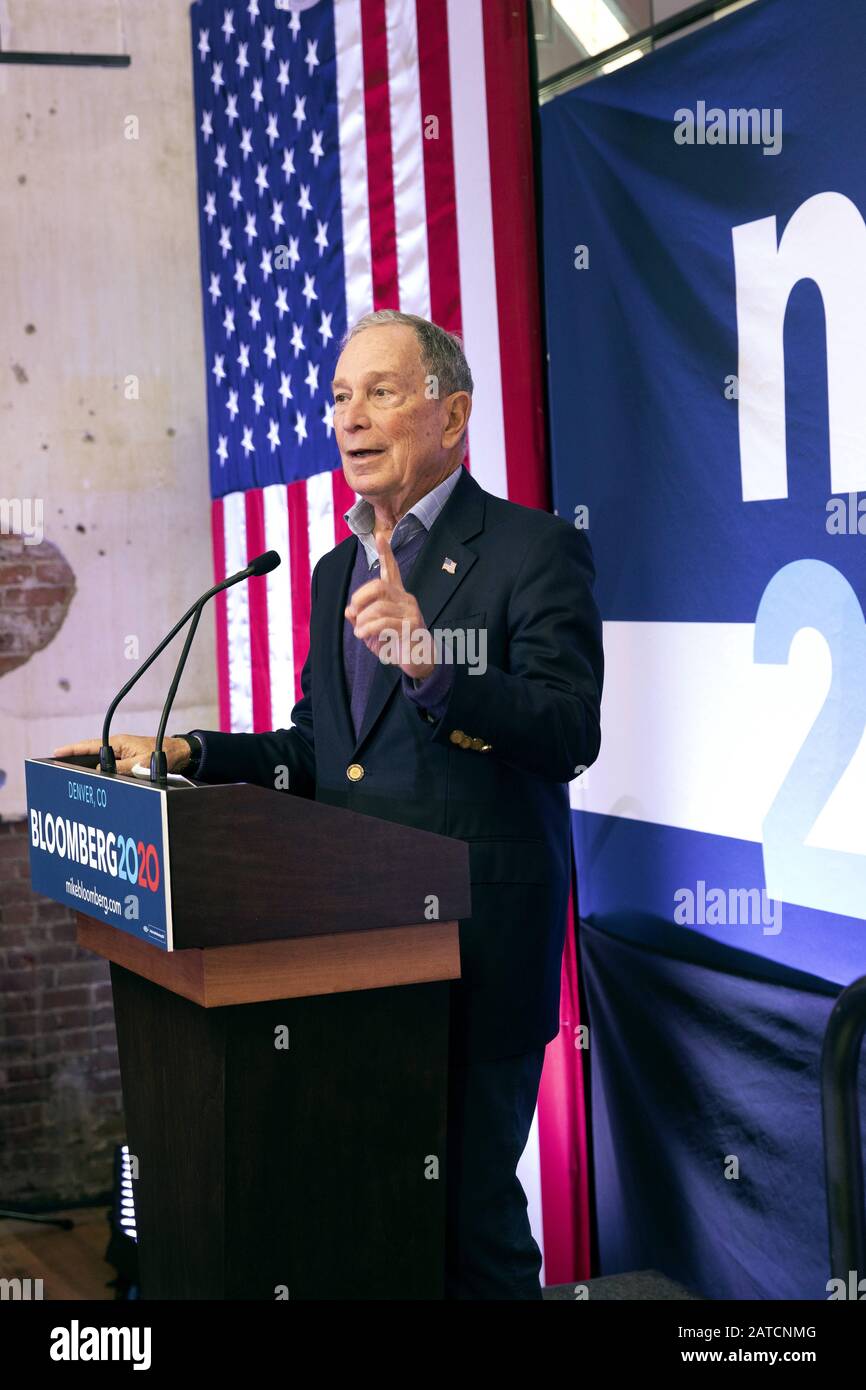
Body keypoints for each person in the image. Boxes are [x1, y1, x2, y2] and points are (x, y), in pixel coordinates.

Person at [56, 309, 604, 1299]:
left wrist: (436, 664)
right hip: (356, 951)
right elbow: (320, 757)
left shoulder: (530, 551)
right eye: (339, 396)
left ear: (453, 414)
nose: (351, 416)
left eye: (381, 392)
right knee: (382, 1208)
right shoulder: (331, 573)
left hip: (476, 943)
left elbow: (569, 733)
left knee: (468, 1217)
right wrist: (184, 748)